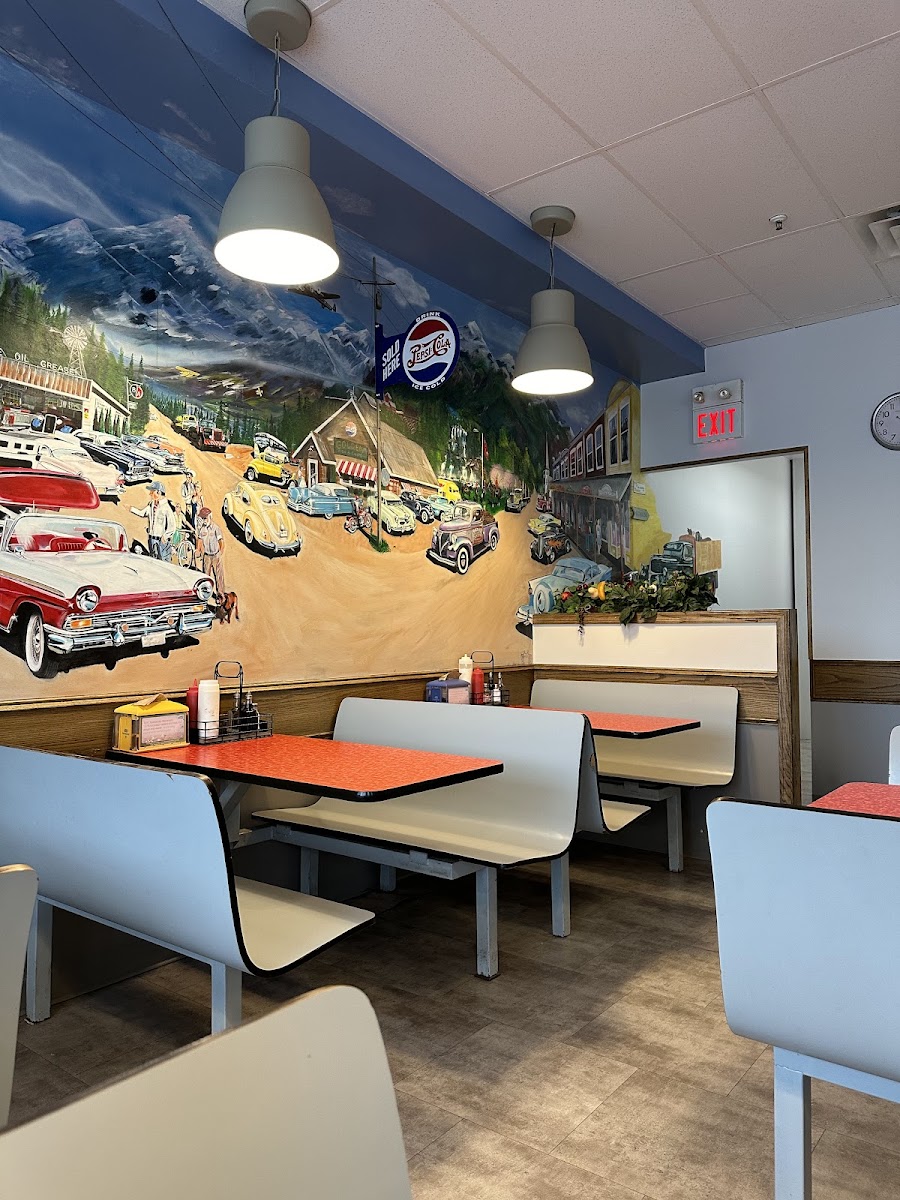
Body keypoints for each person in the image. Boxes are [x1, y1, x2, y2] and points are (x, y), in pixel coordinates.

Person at [131, 481, 177, 561]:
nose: (150, 494)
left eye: (152, 492)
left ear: (158, 492)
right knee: (153, 562)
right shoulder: (151, 505)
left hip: (162, 542)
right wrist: (131, 509)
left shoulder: (166, 507)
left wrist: (165, 536)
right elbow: (143, 513)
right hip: (152, 539)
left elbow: (172, 525)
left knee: (164, 563)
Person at [196, 506, 226, 599]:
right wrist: (198, 550)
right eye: (202, 518)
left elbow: (221, 541)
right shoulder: (202, 529)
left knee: (219, 577)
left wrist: (220, 552)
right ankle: (205, 595)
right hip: (207, 556)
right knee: (206, 576)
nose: (204, 520)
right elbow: (200, 540)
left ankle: (220, 596)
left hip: (216, 555)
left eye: (205, 518)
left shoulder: (216, 528)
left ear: (210, 516)